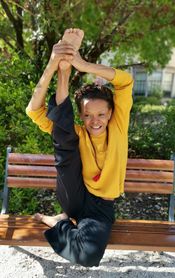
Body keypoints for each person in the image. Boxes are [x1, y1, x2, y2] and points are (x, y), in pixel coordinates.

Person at [26, 28, 133, 267]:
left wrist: (82, 65)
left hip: (100, 207)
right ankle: (63, 75)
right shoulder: (78, 133)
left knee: (89, 256)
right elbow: (33, 111)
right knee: (64, 136)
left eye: (101, 114)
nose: (95, 121)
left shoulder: (118, 127)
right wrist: (53, 64)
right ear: (82, 116)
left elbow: (125, 81)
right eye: (87, 115)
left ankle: (59, 222)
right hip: (74, 196)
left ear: (111, 113)